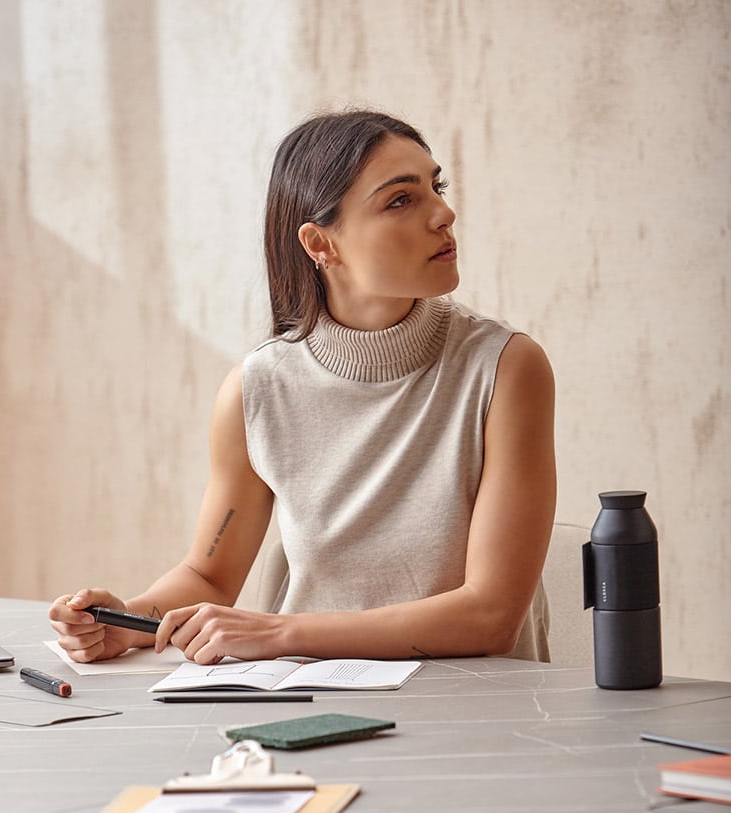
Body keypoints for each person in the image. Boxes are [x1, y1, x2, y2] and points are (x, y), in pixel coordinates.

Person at [49, 109, 555, 671]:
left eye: (435, 187)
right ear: (321, 244)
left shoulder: (505, 368)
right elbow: (210, 575)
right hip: (309, 701)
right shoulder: (257, 390)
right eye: (401, 200)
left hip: (476, 713)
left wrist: (281, 632)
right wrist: (131, 624)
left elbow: (491, 617)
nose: (444, 212)